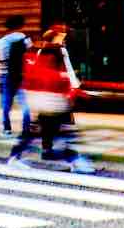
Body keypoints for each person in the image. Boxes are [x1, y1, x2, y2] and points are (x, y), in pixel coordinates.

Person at [8, 26, 94, 173]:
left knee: (44, 130)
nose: (64, 39)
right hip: (53, 98)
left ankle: (18, 156)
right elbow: (65, 71)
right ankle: (74, 160)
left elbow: (36, 73)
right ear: (56, 36)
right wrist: (73, 86)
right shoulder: (57, 51)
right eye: (62, 36)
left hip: (43, 98)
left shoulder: (39, 50)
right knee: (62, 130)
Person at [0, 15, 31, 137]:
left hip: (6, 74)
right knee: (25, 103)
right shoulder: (26, 40)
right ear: (20, 25)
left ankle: (7, 128)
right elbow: (29, 57)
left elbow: (0, 59)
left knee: (6, 103)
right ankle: (26, 129)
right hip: (21, 74)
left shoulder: (1, 42)